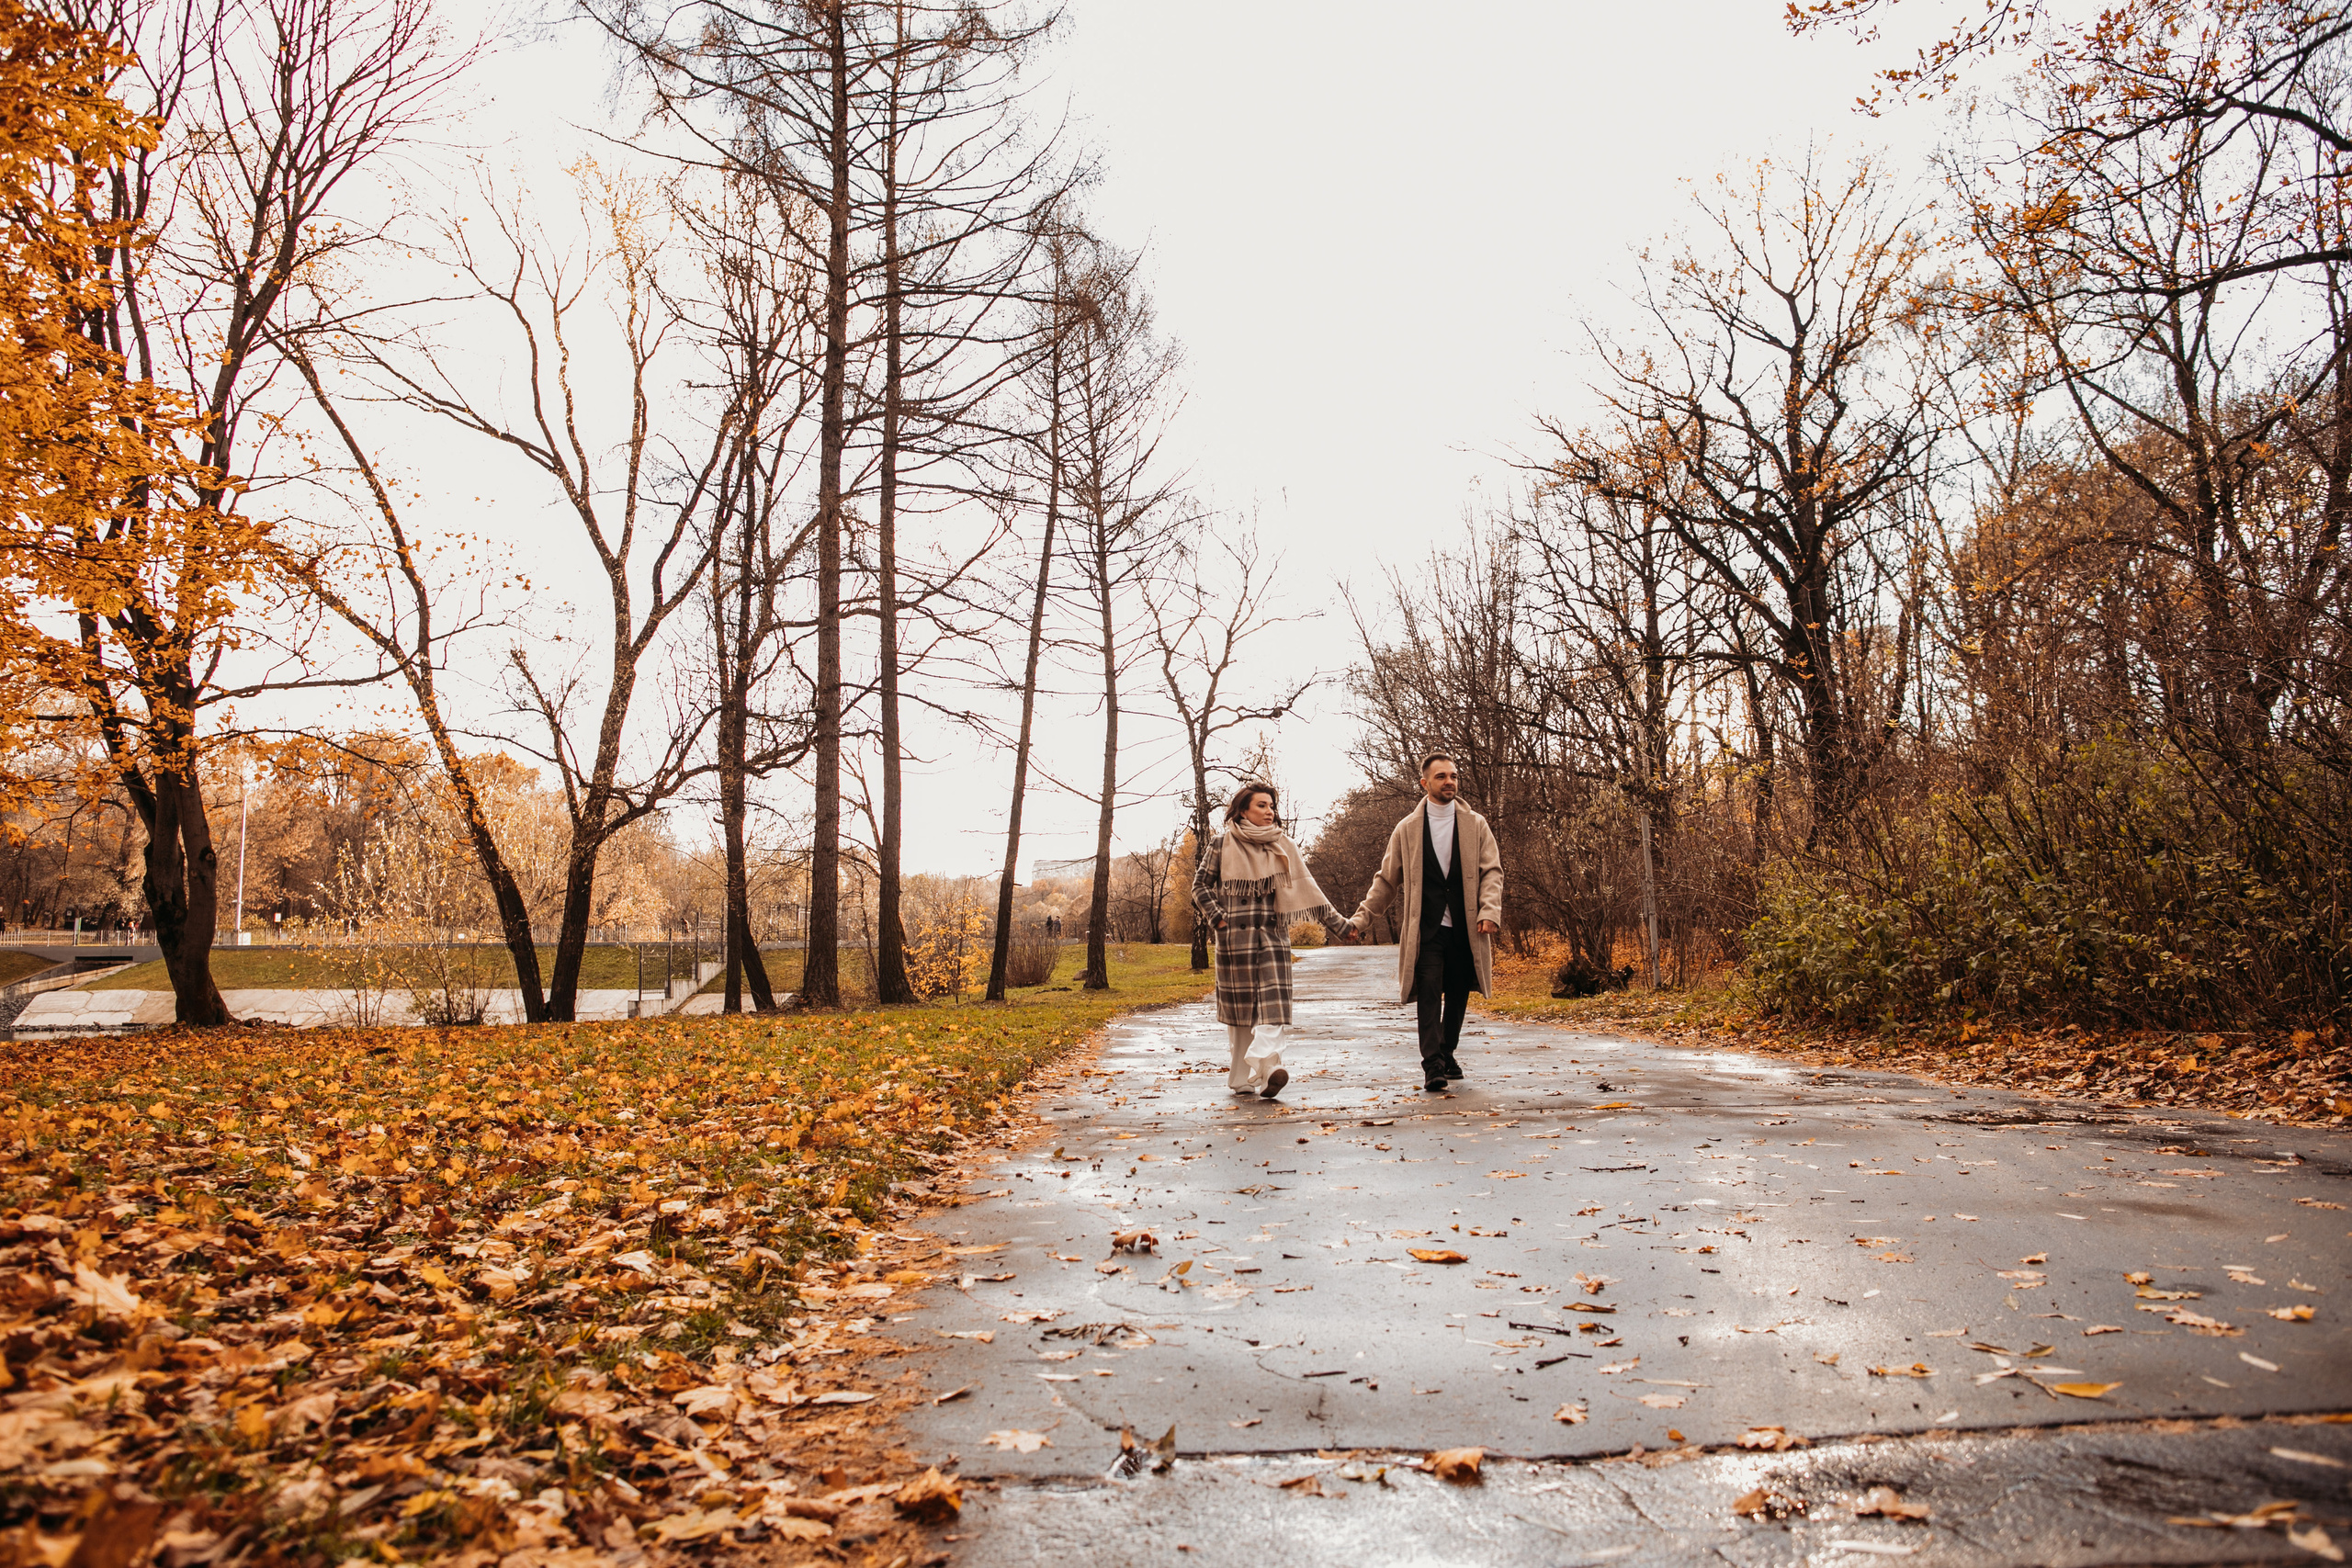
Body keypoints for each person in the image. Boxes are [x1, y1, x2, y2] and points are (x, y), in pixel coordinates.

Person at [1350, 753, 1504, 1092]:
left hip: (1466, 928)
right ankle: (1432, 1065)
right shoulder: (1407, 829)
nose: (1449, 781)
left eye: (1453, 776)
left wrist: (1489, 910)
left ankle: (1447, 1052)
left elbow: (1491, 871)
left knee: (1460, 993)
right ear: (1424, 783)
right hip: (1427, 931)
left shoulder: (1475, 824)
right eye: (1441, 777)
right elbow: (1386, 881)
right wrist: (1361, 920)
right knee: (1430, 992)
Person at [1192, 782, 1356, 1099]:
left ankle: (1267, 1070)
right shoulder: (1221, 844)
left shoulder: (1284, 846)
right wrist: (1219, 918)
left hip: (1273, 940)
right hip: (1234, 941)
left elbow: (1312, 893)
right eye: (1262, 806)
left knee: (1272, 1011)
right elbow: (1200, 887)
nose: (1270, 812)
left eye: (1272, 806)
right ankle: (1242, 1077)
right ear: (1242, 810)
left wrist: (1341, 926)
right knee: (1241, 1016)